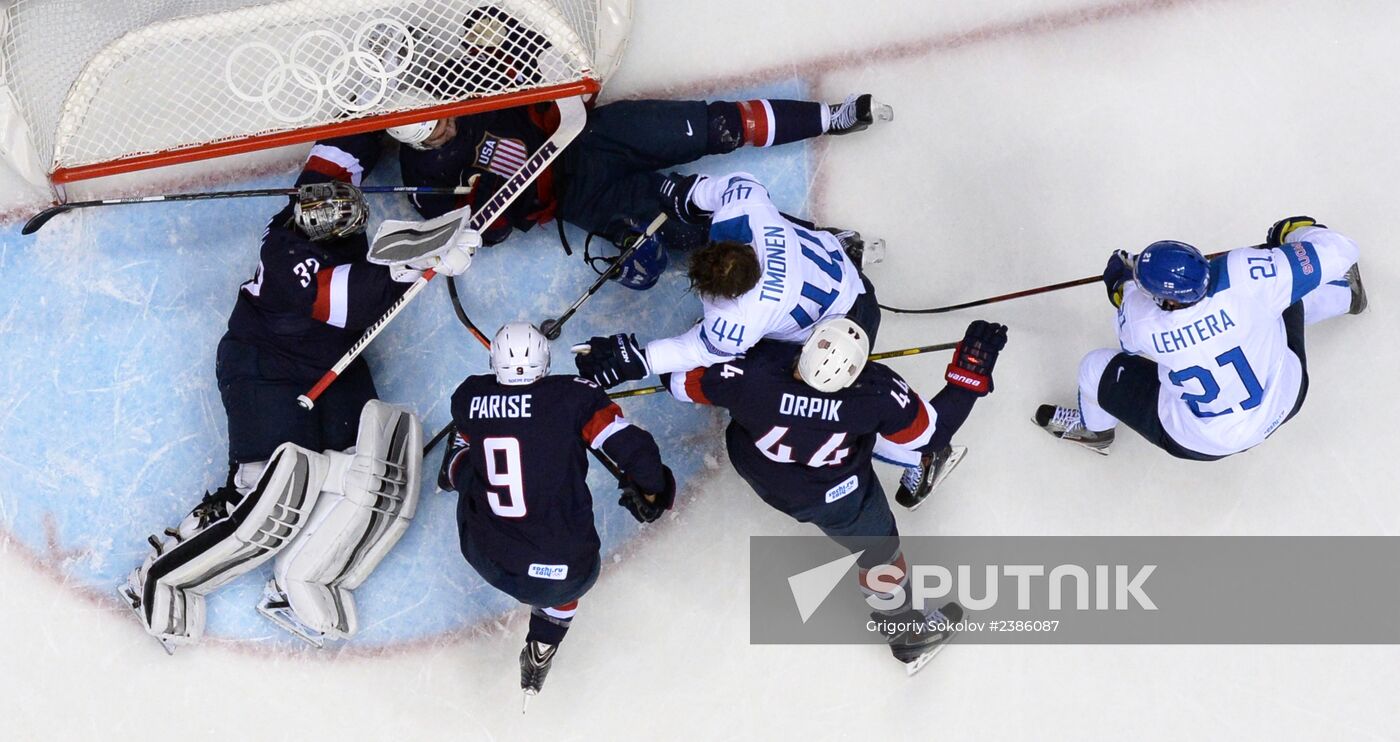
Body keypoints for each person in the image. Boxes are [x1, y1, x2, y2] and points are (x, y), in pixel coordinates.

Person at [118, 135, 476, 651]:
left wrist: (389, 118)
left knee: (370, 475)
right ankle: (160, 576)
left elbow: (340, 153)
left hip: (334, 360)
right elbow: (347, 299)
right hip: (267, 365)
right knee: (267, 492)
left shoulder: (316, 196)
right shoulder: (290, 260)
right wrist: (416, 263)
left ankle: (299, 583)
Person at [661, 317, 1008, 672]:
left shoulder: (754, 371)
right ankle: (906, 634)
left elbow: (677, 381)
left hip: (759, 468)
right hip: (835, 496)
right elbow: (931, 437)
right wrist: (968, 376)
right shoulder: (878, 391)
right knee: (879, 552)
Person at [388, 91, 889, 287]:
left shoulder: (462, 90)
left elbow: (527, 63)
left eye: (442, 120)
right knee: (696, 226)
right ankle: (822, 247)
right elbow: (476, 232)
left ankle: (831, 116)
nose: (445, 129)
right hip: (582, 199)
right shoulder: (427, 183)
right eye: (433, 135)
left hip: (590, 137)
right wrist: (476, 231)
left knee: (716, 126)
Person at [438, 322, 675, 700]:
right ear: (545, 364)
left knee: (469, 468)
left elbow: (485, 412)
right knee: (564, 561)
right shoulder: (573, 397)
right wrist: (653, 491)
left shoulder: (468, 396)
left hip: (488, 556)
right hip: (565, 576)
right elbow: (637, 452)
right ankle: (543, 644)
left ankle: (454, 464)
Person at [1035, 216, 1366, 459]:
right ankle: (1344, 295)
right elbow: (1342, 248)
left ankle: (1095, 431)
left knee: (1095, 368)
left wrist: (1120, 284)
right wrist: (1294, 235)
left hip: (1203, 439)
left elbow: (1126, 309)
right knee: (1283, 290)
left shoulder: (1141, 322)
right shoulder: (1246, 274)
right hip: (1284, 397)